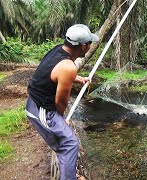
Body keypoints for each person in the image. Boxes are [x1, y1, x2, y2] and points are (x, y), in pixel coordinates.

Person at [25, 24, 99, 180]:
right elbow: (60, 104)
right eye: (90, 43)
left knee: (63, 141)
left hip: (35, 101)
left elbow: (57, 72)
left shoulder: (59, 50)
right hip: (40, 110)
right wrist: (61, 120)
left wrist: (79, 79)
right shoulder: (68, 67)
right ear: (84, 46)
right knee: (70, 144)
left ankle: (68, 172)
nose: (91, 45)